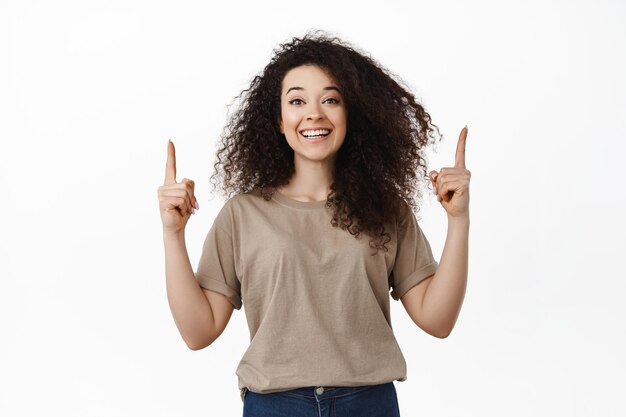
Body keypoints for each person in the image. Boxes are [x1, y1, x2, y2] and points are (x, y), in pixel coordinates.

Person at [157, 30, 470, 417]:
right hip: (274, 405)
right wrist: (173, 235)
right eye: (297, 100)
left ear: (350, 112)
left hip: (368, 404)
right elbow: (198, 332)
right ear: (278, 118)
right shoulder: (243, 214)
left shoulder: (386, 209)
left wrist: (459, 221)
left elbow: (437, 321)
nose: (314, 113)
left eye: (331, 100)